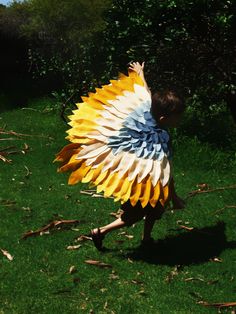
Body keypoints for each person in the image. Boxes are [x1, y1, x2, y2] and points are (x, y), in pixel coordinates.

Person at [90, 61, 186, 251]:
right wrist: (174, 197)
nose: (180, 119)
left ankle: (146, 239)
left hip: (146, 183)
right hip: (141, 183)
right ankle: (100, 231)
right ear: (164, 120)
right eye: (178, 117)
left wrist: (141, 74)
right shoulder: (160, 141)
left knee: (155, 209)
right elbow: (166, 174)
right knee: (133, 215)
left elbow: (146, 93)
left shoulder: (145, 110)